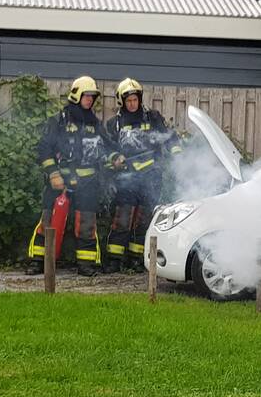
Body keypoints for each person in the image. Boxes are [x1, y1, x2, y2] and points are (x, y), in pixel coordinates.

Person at [25, 76, 122, 276]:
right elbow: (44, 149)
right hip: (60, 181)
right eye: (86, 96)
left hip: (88, 184)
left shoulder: (95, 124)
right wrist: (53, 173)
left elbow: (106, 148)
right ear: (76, 96)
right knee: (48, 221)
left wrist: (115, 158)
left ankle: (85, 265)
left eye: (92, 97)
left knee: (87, 224)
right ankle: (38, 261)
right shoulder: (59, 120)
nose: (89, 100)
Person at [104, 77, 184, 272]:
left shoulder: (152, 117)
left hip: (151, 176)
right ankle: (115, 260)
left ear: (140, 99)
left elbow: (169, 138)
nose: (132, 104)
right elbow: (106, 149)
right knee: (123, 218)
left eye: (135, 99)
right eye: (128, 100)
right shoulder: (114, 124)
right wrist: (115, 158)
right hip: (127, 178)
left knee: (145, 219)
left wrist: (179, 156)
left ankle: (136, 259)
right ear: (122, 101)